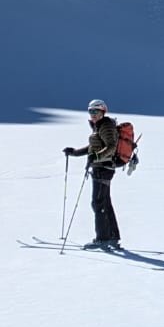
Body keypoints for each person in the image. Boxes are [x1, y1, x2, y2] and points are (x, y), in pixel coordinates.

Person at [64, 98, 120, 249]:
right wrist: (74, 152)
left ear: (103, 111)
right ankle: (113, 236)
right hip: (101, 168)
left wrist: (96, 157)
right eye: (90, 111)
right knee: (104, 203)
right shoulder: (100, 126)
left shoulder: (106, 126)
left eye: (96, 111)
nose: (93, 114)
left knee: (98, 203)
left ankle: (102, 238)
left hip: (103, 169)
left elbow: (111, 146)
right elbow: (92, 147)